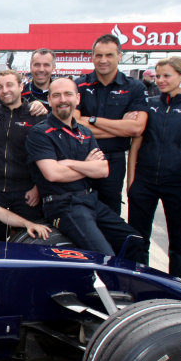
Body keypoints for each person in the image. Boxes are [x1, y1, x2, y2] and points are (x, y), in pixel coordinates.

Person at [26, 77, 139, 257]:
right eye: (56, 95)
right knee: (105, 256)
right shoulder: (40, 132)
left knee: (134, 240)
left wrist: (71, 163)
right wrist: (88, 166)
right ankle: (108, 285)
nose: (63, 99)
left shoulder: (85, 132)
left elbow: (103, 170)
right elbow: (53, 174)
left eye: (68, 94)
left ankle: (131, 285)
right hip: (63, 205)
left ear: (77, 99)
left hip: (90, 201)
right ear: (49, 100)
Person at [126, 57, 181, 277]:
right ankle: (138, 282)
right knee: (138, 239)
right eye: (158, 76)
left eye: (167, 76)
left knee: (179, 243)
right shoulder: (149, 104)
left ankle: (178, 287)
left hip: (179, 183)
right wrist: (131, 180)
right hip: (144, 181)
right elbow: (136, 144)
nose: (161, 80)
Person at [74, 34, 149, 216]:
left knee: (109, 212)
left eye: (109, 55)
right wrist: (120, 129)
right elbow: (74, 124)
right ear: (92, 57)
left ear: (120, 56)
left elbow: (137, 128)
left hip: (114, 160)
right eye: (98, 55)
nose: (103, 60)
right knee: (78, 209)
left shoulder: (135, 87)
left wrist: (91, 120)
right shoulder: (80, 84)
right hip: (82, 155)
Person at [0, 70, 45, 241]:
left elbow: (45, 156)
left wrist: (38, 187)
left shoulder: (36, 116)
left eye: (9, 85)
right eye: (0, 87)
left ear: (21, 86)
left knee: (28, 242)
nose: (5, 90)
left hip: (26, 192)